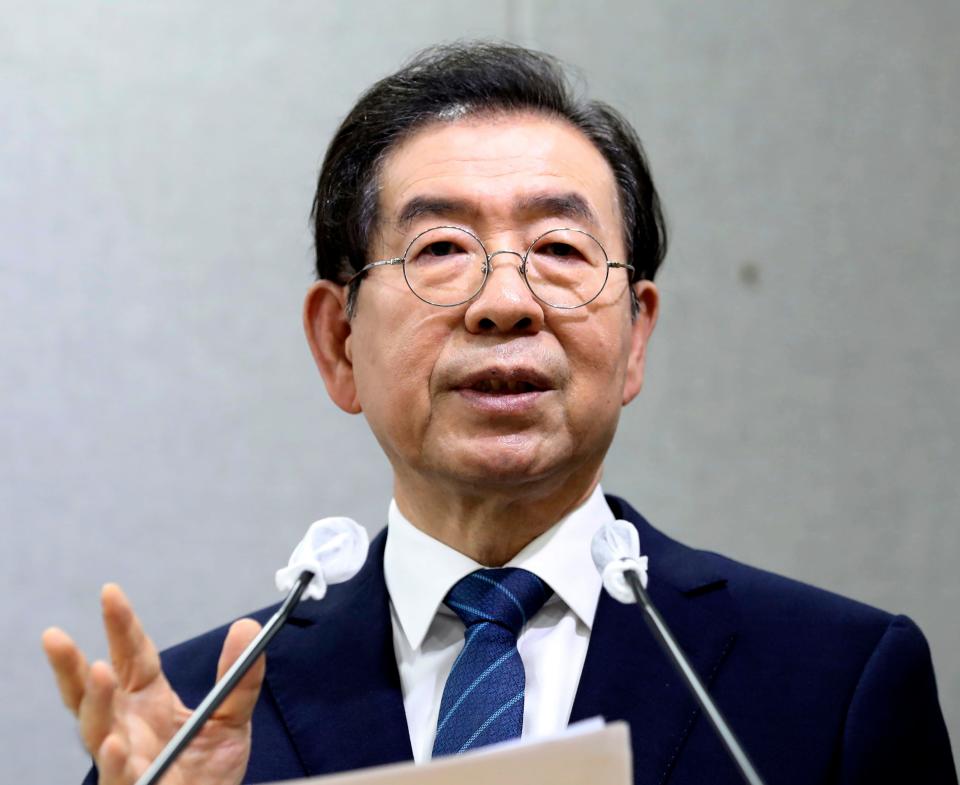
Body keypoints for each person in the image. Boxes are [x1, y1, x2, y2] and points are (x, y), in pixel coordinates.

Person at [43, 42, 955, 785]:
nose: (506, 301)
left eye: (559, 247)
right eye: (441, 248)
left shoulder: (833, 683)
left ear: (635, 335)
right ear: (338, 342)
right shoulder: (197, 719)